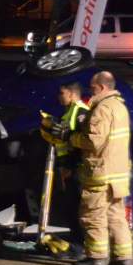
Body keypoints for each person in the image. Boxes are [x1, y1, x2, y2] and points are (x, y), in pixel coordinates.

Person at [65, 71, 133, 265]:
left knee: (93, 215)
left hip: (101, 173)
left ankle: (96, 257)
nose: (90, 91)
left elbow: (93, 141)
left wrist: (72, 138)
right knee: (116, 215)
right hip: (119, 174)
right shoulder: (120, 107)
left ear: (101, 87)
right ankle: (123, 257)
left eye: (93, 88)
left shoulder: (102, 109)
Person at [42, 82, 89, 248]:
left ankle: (81, 241)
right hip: (68, 167)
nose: (59, 96)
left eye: (61, 93)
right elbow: (63, 142)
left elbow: (82, 143)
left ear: (72, 94)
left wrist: (70, 166)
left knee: (78, 205)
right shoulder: (68, 112)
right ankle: (76, 238)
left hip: (77, 168)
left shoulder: (81, 113)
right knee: (71, 205)